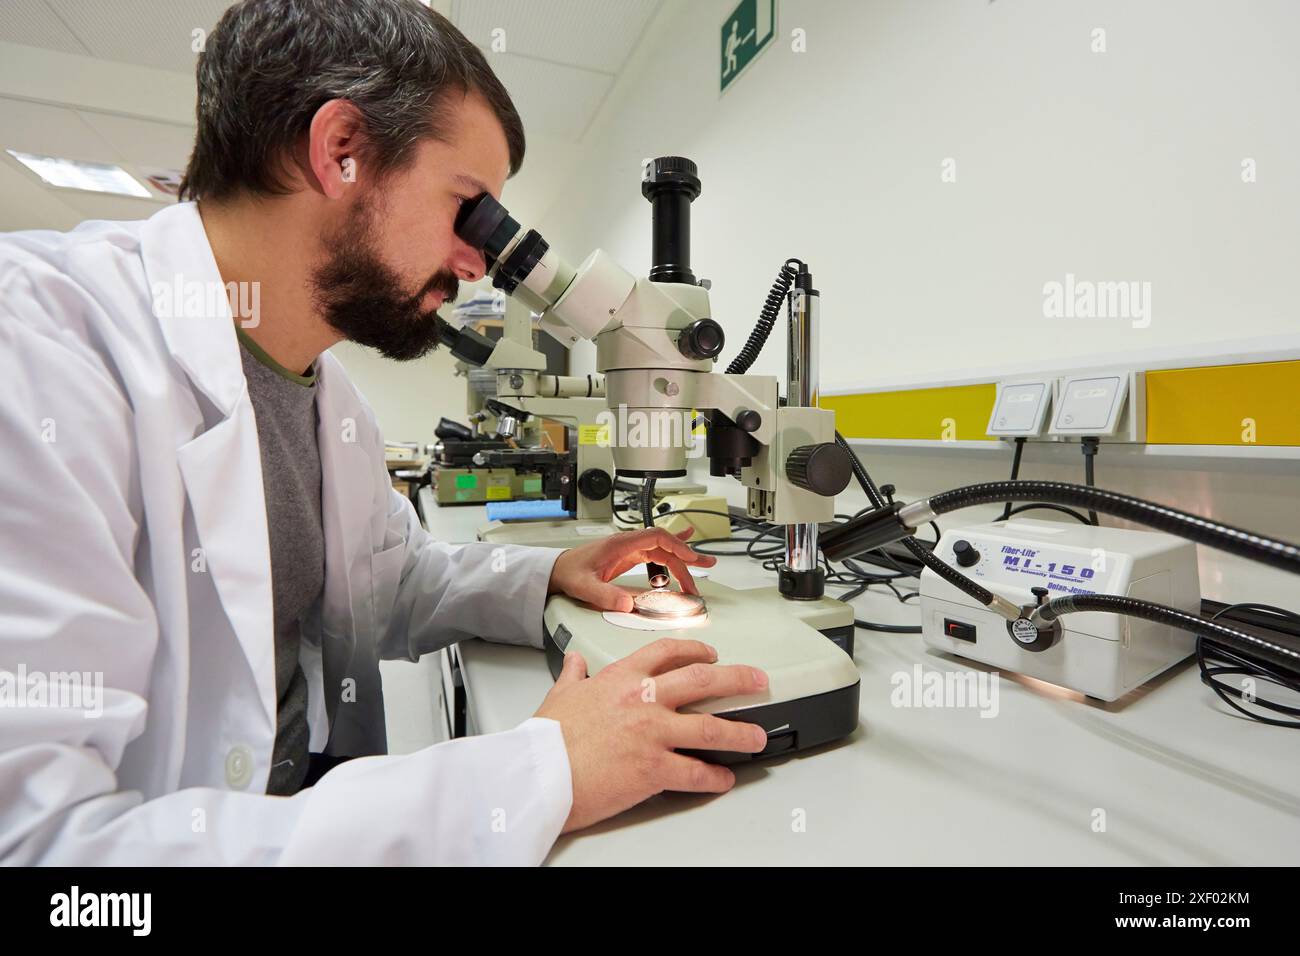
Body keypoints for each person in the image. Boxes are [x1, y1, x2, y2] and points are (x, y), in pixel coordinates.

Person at [0, 0, 768, 866]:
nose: (482, 261)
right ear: (342, 151)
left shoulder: (322, 390)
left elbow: (390, 581)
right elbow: (45, 849)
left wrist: (553, 570)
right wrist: (532, 775)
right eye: (469, 209)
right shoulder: (37, 346)